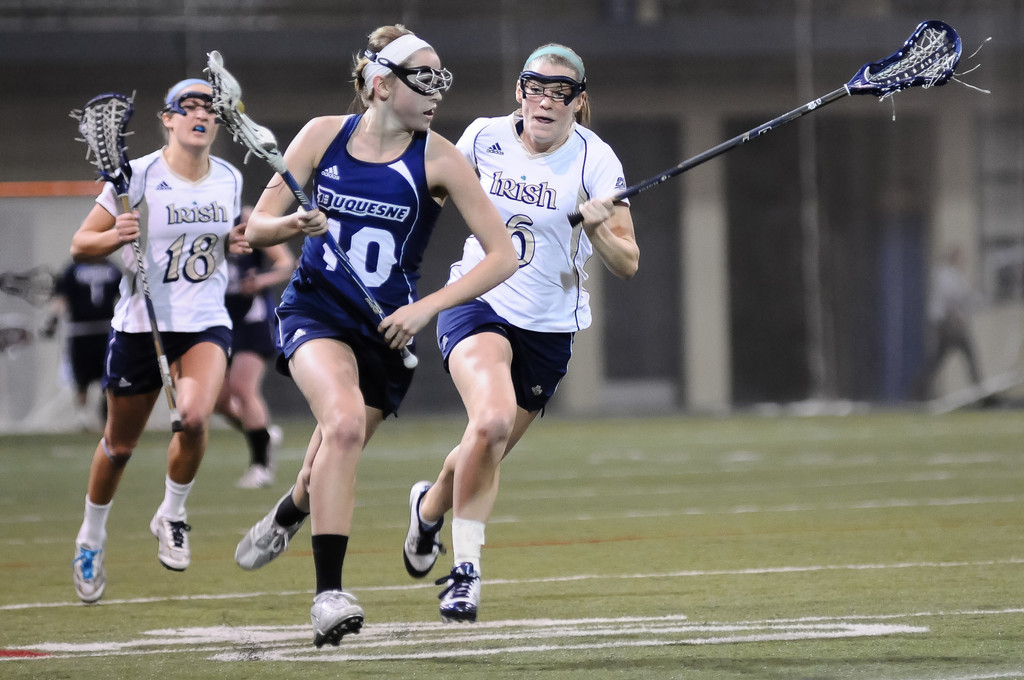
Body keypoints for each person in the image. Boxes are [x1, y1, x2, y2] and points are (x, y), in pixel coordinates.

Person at [231, 25, 517, 647]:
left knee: (325, 461)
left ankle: (290, 510)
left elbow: (503, 255)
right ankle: (328, 596)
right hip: (316, 311)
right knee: (341, 427)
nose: (437, 93)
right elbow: (255, 230)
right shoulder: (321, 136)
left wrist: (427, 309)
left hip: (387, 331)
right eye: (424, 80)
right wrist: (295, 224)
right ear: (382, 85)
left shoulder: (440, 158)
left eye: (442, 81)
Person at [402, 43, 639, 623]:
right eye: (536, 88)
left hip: (550, 327)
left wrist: (598, 227)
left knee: (484, 447)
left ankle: (428, 509)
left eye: (561, 93)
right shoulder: (482, 137)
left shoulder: (596, 159)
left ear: (578, 103)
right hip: (478, 301)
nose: (546, 102)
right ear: (520, 92)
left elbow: (628, 262)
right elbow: (425, 196)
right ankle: (466, 573)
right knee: (490, 422)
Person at [69, 78, 246, 604]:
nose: (200, 114)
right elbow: (81, 245)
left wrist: (234, 241)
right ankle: (90, 538)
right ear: (167, 119)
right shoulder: (137, 176)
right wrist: (115, 236)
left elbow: (221, 241)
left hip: (205, 320)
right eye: (187, 107)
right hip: (142, 324)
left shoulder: (230, 178)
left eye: (209, 108)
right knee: (119, 446)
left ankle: (171, 513)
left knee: (193, 418)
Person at [215, 205, 296, 489]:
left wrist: (261, 280)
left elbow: (286, 263)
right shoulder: (201, 220)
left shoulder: (247, 220)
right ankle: (264, 434)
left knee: (242, 388)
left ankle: (261, 465)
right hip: (217, 318)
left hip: (252, 318)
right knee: (218, 401)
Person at [43, 259, 122, 430]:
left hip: (100, 329)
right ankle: (84, 416)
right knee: (84, 376)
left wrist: (52, 320)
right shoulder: (109, 268)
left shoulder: (76, 269)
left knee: (104, 374)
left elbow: (62, 298)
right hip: (86, 329)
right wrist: (53, 318)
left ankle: (101, 412)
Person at [914, 245, 986, 400]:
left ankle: (918, 390)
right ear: (954, 259)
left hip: (952, 323)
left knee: (938, 359)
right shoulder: (945, 275)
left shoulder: (957, 276)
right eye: (961, 259)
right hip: (947, 324)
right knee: (968, 352)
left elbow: (965, 298)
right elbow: (951, 298)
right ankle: (980, 392)